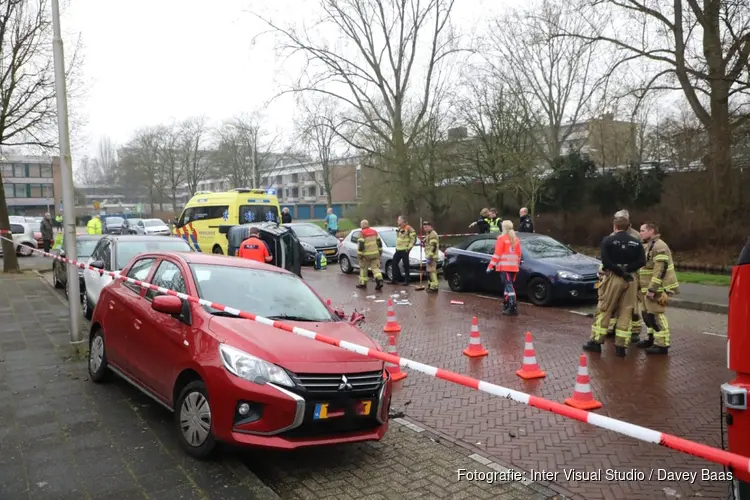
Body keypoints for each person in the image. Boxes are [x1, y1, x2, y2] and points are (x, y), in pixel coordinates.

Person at [584, 216, 645, 357]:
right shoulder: (636, 242)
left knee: (605, 308)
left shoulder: (608, 241)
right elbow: (642, 261)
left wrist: (620, 272)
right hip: (631, 278)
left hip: (614, 277)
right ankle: (621, 346)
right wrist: (628, 270)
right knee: (626, 310)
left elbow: (606, 261)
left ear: (614, 227)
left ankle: (596, 342)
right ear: (628, 227)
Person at [636, 222, 680, 355]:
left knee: (656, 315)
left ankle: (662, 344)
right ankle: (651, 338)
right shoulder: (648, 245)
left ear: (652, 231)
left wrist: (652, 289)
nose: (640, 233)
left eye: (643, 230)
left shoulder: (660, 246)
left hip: (656, 288)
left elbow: (660, 270)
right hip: (645, 288)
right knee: (647, 314)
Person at [604, 209, 643, 342]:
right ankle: (613, 329)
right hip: (622, 273)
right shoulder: (612, 236)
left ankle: (634, 331)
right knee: (615, 305)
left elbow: (642, 259)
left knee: (632, 306)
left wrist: (624, 270)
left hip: (631, 275)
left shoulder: (636, 236)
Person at [487, 220, 522, 315]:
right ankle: (506, 304)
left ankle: (512, 306)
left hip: (505, 267)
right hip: (514, 267)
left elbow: (497, 254)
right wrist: (517, 265)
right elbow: (519, 255)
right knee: (508, 287)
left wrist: (490, 266)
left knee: (509, 287)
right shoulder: (516, 239)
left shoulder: (501, 239)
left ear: (503, 228)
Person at [356, 220, 384, 290]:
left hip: (366, 255)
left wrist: (359, 256)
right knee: (375, 268)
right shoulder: (374, 232)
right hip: (375, 254)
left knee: (363, 268)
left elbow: (361, 245)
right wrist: (380, 252)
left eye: (361, 224)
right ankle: (379, 281)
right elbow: (379, 243)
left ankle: (363, 284)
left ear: (363, 225)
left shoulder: (362, 233)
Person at [392, 216, 416, 285]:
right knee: (394, 263)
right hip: (398, 249)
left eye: (399, 220)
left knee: (406, 265)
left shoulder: (409, 228)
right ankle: (394, 279)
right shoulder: (399, 228)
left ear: (402, 221)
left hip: (405, 250)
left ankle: (407, 280)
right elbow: (399, 238)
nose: (397, 221)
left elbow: (413, 239)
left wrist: (409, 248)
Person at [422, 221, 440, 293]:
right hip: (429, 256)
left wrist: (429, 257)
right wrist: (423, 242)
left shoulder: (433, 234)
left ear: (430, 226)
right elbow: (427, 241)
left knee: (432, 272)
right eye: (423, 227)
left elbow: (433, 247)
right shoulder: (429, 234)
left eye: (426, 227)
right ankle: (430, 285)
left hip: (432, 256)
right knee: (429, 272)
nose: (424, 229)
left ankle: (434, 286)